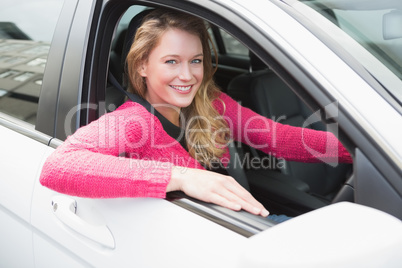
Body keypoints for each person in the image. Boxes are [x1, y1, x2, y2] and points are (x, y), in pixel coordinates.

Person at [39, 8, 352, 220]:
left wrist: (357, 149)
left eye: (196, 61)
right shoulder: (134, 120)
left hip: (242, 223)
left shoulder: (211, 102)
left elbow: (278, 137)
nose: (187, 75)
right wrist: (182, 177)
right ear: (143, 66)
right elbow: (58, 166)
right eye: (171, 61)